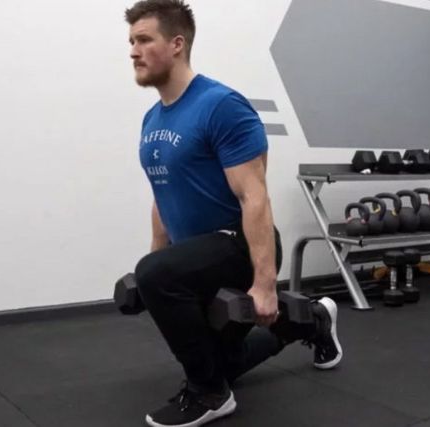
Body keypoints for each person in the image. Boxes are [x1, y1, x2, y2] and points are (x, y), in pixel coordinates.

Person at [125, 1, 343, 426]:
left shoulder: (221, 105)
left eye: (144, 40)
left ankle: (209, 395)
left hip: (238, 244)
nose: (133, 51)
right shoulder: (152, 119)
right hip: (196, 255)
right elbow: (162, 194)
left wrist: (264, 282)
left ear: (176, 44)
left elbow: (254, 197)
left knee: (164, 287)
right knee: (226, 359)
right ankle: (313, 321)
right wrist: (155, 256)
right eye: (131, 41)